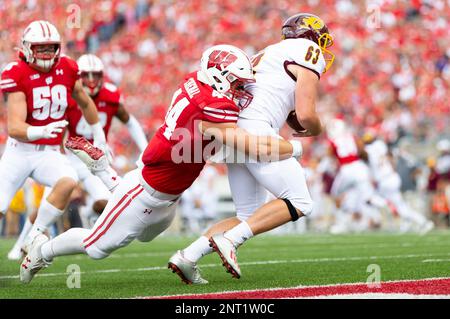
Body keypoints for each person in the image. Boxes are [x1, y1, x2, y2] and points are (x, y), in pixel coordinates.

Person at [19, 44, 302, 284]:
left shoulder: (198, 83)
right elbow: (255, 145)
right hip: (147, 191)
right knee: (97, 248)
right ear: (218, 77)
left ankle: (104, 170)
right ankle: (41, 250)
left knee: (145, 237)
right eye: (237, 84)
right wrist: (296, 147)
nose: (241, 90)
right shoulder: (212, 106)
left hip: (167, 193)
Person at [169, 13, 335, 284]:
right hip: (256, 129)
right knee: (301, 201)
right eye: (321, 40)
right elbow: (306, 115)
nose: (323, 48)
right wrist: (317, 129)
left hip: (233, 129)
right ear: (311, 37)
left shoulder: (266, 52)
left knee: (248, 215)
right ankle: (231, 240)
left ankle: (187, 256)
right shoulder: (307, 49)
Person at [7, 54, 148, 260]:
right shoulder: (67, 94)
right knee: (48, 203)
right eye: (86, 75)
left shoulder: (110, 96)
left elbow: (130, 121)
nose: (91, 79)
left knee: (107, 202)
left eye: (96, 74)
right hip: (70, 157)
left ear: (102, 76)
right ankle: (20, 245)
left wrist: (144, 147)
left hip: (96, 161)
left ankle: (89, 213)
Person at [0, 21, 106, 258]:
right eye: (41, 48)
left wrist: (99, 135)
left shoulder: (67, 68)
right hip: (20, 151)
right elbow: (15, 127)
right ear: (28, 48)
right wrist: (40, 131)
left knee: (68, 181)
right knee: (0, 206)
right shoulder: (16, 72)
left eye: (51, 47)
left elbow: (85, 101)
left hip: (48, 152)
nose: (47, 53)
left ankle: (32, 238)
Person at [363, 131, 434, 233]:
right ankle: (408, 222)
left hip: (384, 181)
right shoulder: (380, 145)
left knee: (373, 200)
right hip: (391, 177)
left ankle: (422, 222)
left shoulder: (368, 150)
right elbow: (390, 156)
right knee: (386, 202)